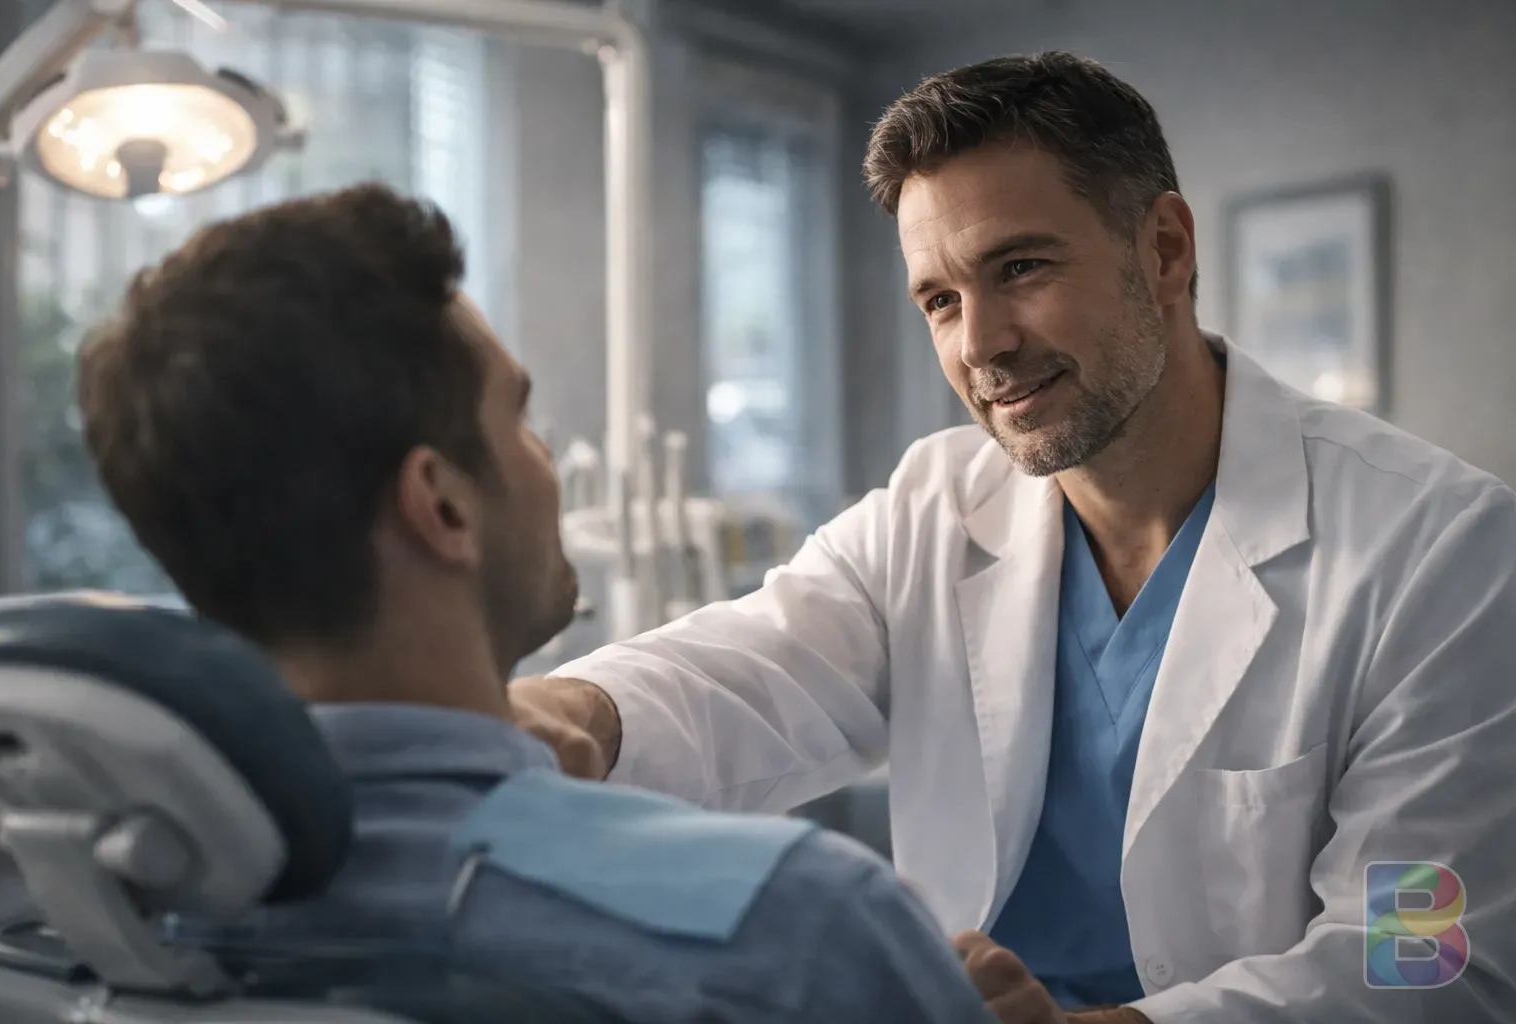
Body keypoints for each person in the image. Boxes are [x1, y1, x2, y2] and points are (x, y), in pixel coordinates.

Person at [512, 52, 1516, 1023]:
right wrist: (569, 711)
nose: (980, 344)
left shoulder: (1437, 550)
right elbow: (750, 667)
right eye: (940, 300)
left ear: (1165, 249)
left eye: (1022, 267)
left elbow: (1421, 961)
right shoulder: (934, 508)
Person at [74, 183, 1000, 1024]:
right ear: (442, 505)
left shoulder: (119, 924)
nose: (544, 462)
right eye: (516, 418)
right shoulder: (799, 932)